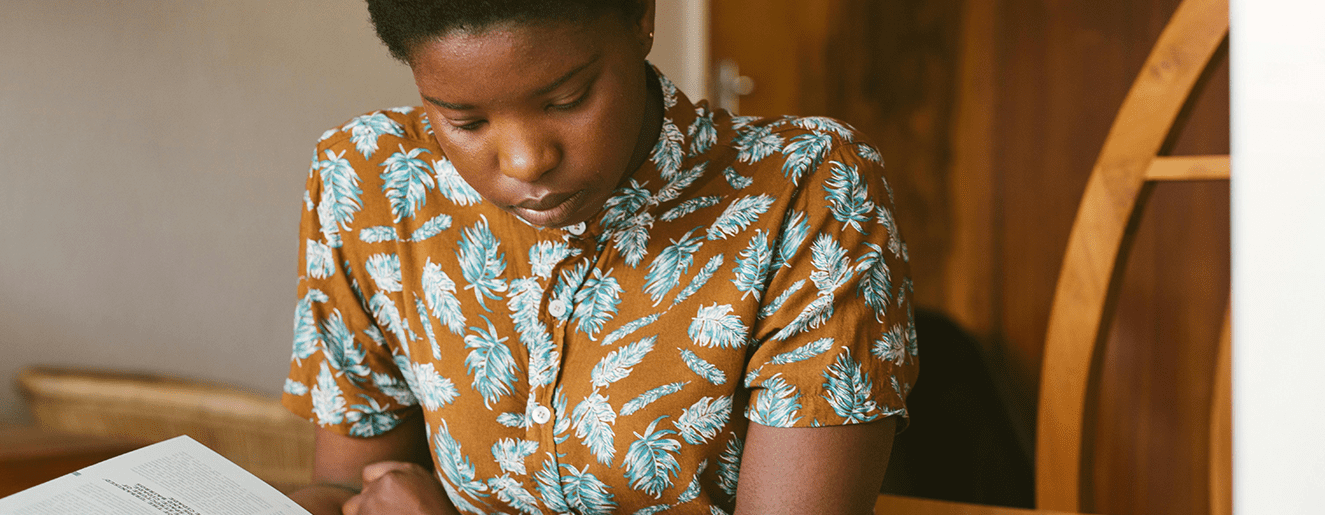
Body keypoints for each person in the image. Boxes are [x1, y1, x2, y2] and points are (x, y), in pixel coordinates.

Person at [281, 0, 919, 513]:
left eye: (567, 100)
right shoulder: (370, 182)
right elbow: (351, 489)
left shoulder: (806, 192)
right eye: (465, 122)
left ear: (641, 16)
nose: (527, 162)